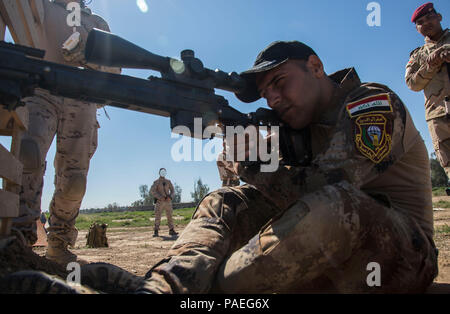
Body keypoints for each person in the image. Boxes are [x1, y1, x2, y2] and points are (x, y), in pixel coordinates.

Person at [3, 40, 439, 294]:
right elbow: (265, 195)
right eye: (265, 93)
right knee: (225, 199)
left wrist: (255, 162)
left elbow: (330, 190)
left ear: (316, 66)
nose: (273, 99)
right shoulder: (289, 128)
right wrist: (231, 153)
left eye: (280, 83)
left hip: (400, 258)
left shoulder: (370, 102)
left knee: (335, 203)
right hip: (324, 260)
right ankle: (167, 287)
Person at [12, 0, 120, 266]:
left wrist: (89, 58)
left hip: (81, 100)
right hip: (39, 90)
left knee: (74, 181)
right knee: (28, 158)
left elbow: (115, 70)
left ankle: (58, 246)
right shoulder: (39, 7)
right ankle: (17, 240)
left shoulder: (97, 24)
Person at [405, 2, 450, 191]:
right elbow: (412, 84)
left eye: (429, 18)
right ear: (417, 29)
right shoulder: (418, 56)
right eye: (420, 22)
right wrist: (431, 65)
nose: (426, 24)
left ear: (439, 17)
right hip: (439, 116)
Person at [150, 168, 178, 237]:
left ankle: (171, 230)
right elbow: (152, 191)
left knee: (170, 216)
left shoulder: (168, 181)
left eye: (164, 172)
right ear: (159, 173)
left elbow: (173, 190)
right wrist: (160, 197)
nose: (163, 173)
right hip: (159, 202)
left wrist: (170, 197)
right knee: (158, 216)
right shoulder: (156, 182)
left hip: (168, 202)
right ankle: (156, 231)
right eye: (162, 172)